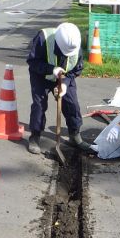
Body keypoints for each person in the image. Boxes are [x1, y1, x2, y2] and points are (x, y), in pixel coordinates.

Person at [26, 22, 91, 154]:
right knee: (39, 105)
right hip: (41, 76)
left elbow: (77, 69)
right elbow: (33, 62)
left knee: (72, 103)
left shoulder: (75, 45)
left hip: (64, 77)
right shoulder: (43, 38)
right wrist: (51, 69)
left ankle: (74, 135)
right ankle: (35, 136)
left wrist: (65, 83)